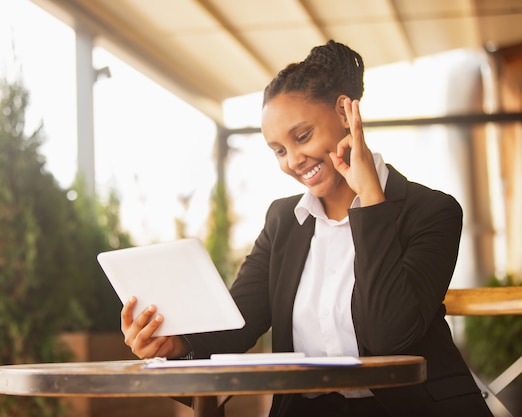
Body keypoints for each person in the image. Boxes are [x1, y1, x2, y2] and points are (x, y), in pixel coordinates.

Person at [120, 40, 494, 417]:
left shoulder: (431, 211)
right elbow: (237, 324)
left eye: (302, 137)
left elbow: (389, 339)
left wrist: (369, 200)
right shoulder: (284, 221)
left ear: (345, 113)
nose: (293, 161)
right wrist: (175, 346)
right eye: (279, 150)